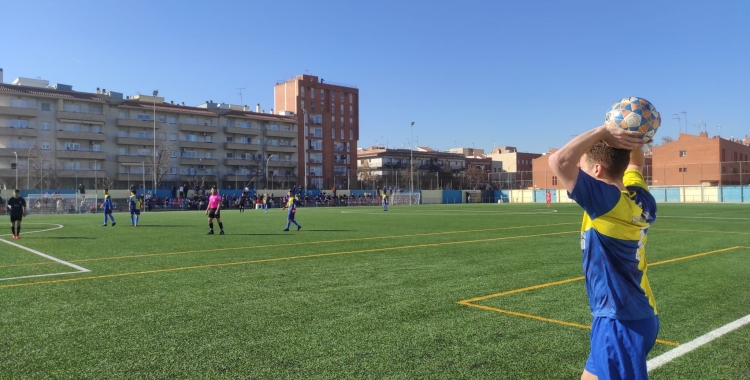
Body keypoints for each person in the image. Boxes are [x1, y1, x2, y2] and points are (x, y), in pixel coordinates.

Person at [548, 124, 657, 380]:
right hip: (639, 315)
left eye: (583, 168)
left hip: (618, 321)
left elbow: (559, 162)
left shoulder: (605, 202)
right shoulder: (640, 198)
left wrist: (605, 131)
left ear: (597, 170)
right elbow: (635, 166)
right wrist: (634, 138)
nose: (579, 173)